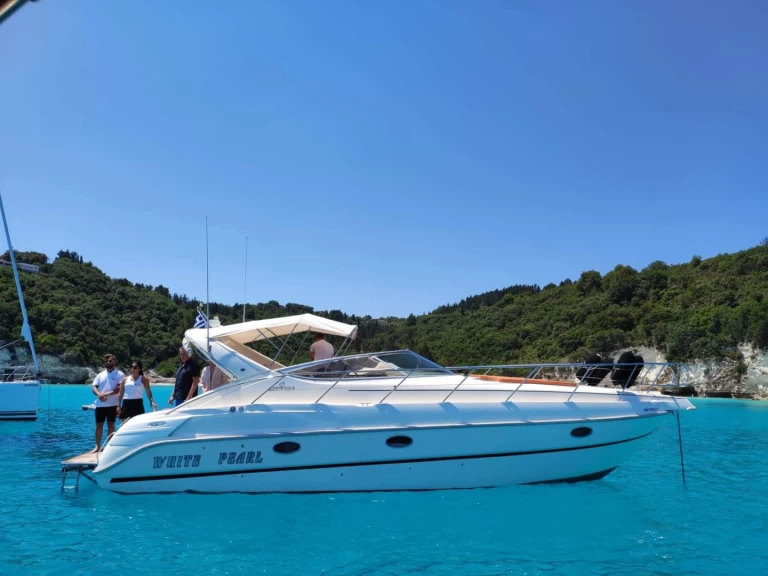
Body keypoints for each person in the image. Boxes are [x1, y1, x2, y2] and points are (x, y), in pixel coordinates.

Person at [90, 354, 125, 452]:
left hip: (112, 405)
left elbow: (119, 388)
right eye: (106, 361)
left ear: (114, 361)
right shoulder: (100, 375)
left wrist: (107, 394)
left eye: (110, 361)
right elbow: (94, 387)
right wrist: (99, 394)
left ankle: (109, 446)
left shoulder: (120, 374)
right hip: (100, 405)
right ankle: (97, 446)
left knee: (111, 424)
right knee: (99, 425)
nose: (108, 362)